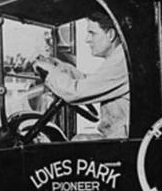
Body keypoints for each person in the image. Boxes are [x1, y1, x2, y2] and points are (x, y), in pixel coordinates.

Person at [34, 11, 129, 139]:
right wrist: (61, 67)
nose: (87, 40)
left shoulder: (121, 60)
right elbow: (92, 83)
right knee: (78, 140)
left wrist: (51, 73)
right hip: (118, 138)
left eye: (92, 33)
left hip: (123, 144)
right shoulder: (119, 58)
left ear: (111, 34)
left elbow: (77, 92)